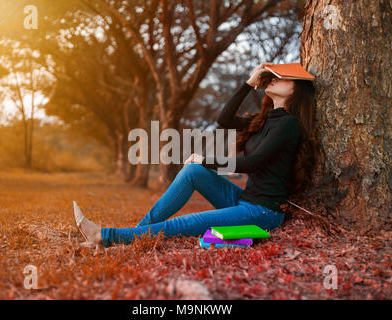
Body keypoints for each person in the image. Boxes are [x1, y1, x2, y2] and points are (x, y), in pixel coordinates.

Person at [72, 62, 316, 248]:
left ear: (297, 90)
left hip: (263, 213)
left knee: (184, 223)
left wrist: (205, 159)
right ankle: (137, 234)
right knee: (192, 171)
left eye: (282, 78)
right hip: (243, 200)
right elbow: (224, 120)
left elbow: (253, 163)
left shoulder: (288, 125)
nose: (273, 80)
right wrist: (248, 84)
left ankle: (104, 237)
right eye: (272, 76)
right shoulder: (262, 121)